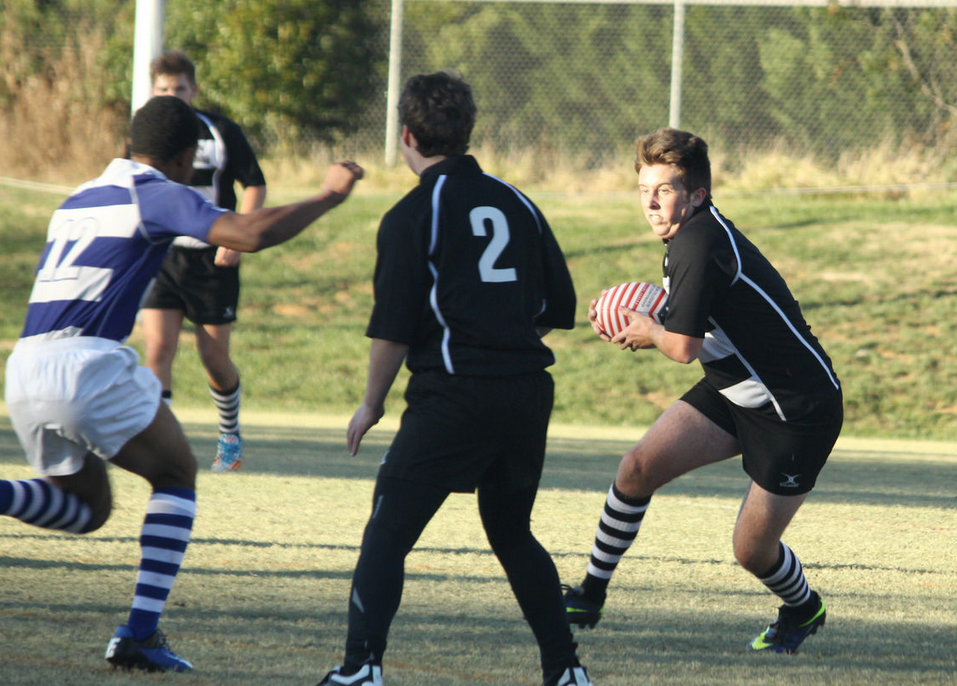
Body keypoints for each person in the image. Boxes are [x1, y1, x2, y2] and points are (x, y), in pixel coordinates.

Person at [0, 95, 362, 672]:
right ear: (187, 157)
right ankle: (139, 633)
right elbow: (245, 234)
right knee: (177, 473)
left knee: (89, 508)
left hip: (25, 366)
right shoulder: (152, 191)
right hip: (86, 363)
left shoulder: (78, 198)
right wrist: (328, 195)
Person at [316, 72, 592, 686]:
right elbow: (558, 307)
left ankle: (361, 669)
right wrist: (502, 342)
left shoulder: (414, 213)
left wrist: (371, 404)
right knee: (512, 533)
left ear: (407, 135)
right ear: (466, 134)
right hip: (525, 393)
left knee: (387, 531)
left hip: (455, 395)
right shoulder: (518, 202)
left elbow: (392, 327)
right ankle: (566, 671)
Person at [563, 128, 842, 655]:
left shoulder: (698, 241)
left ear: (697, 195)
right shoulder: (686, 235)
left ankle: (804, 607)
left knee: (751, 550)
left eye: (664, 189)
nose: (649, 201)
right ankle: (589, 597)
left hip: (796, 410)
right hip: (734, 384)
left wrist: (649, 331)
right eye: (643, 188)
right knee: (637, 468)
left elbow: (684, 348)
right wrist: (655, 323)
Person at [140, 50, 268, 472]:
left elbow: (254, 184)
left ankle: (229, 437)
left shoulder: (220, 130)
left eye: (179, 89)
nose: (172, 95)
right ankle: (163, 445)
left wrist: (239, 234)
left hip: (212, 261)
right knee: (158, 348)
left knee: (213, 358)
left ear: (193, 90)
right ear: (152, 90)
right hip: (162, 255)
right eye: (163, 89)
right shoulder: (144, 132)